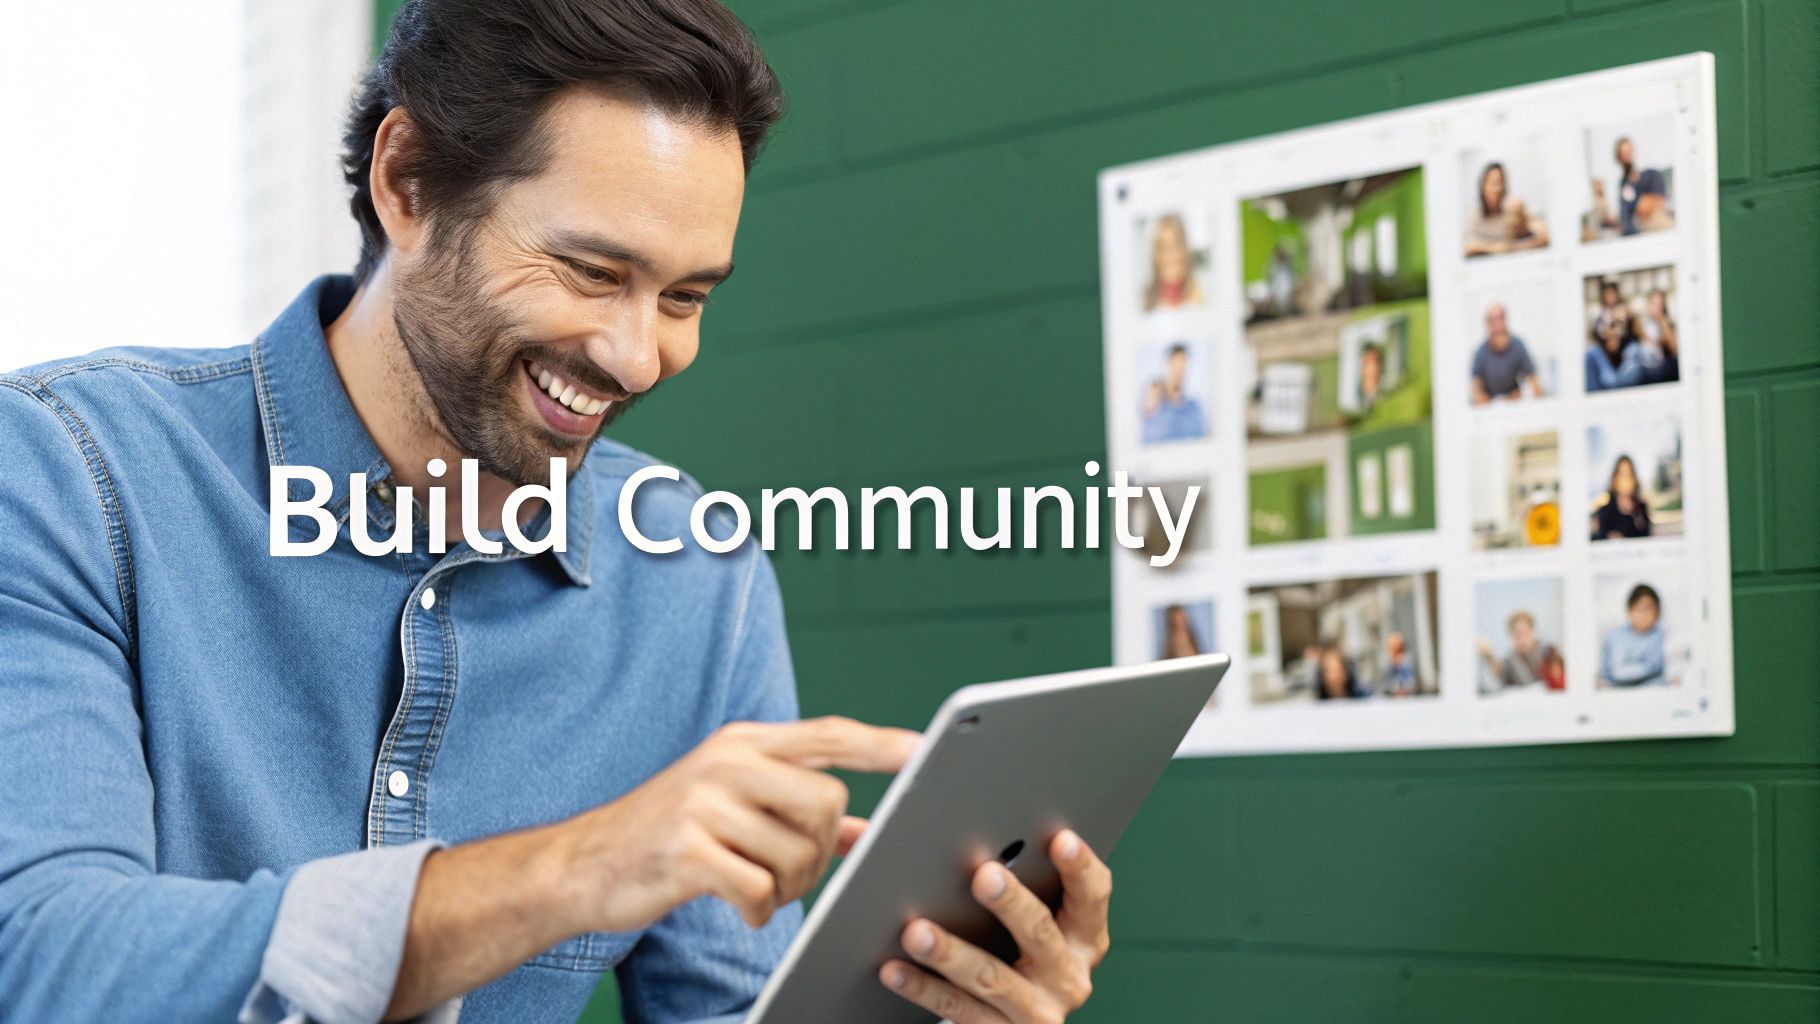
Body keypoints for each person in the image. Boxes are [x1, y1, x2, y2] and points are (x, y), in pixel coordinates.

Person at [0, 3, 1115, 1022]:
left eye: (685, 298)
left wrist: (945, 1003)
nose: (639, 355)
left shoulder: (697, 581)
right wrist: (580, 865)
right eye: (590, 270)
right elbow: (42, 960)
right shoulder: (65, 471)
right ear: (408, 181)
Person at [1464, 162, 1549, 256]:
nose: (1497, 189)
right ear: (1483, 187)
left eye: (1501, 183)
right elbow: (1467, 247)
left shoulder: (1513, 208)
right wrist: (1496, 249)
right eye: (1493, 183)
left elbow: (1544, 235)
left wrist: (1522, 221)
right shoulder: (1475, 217)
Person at [1470, 302, 1542, 403]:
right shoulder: (1480, 352)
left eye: (1499, 318)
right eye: (1491, 320)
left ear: (1505, 320)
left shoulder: (1518, 345)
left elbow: (1532, 378)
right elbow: (1475, 386)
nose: (1496, 324)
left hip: (1514, 400)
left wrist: (1535, 395)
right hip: (1490, 403)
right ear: (1487, 324)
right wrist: (1481, 399)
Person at [1476, 610, 1565, 692]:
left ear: (1533, 631)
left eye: (1525, 633)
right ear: (1512, 636)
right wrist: (1489, 656)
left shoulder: (1549, 651)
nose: (1522, 639)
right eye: (1517, 635)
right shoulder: (1511, 658)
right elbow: (1500, 672)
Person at [1599, 584, 1668, 687]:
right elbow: (1611, 673)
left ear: (1658, 612)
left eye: (1648, 609)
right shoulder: (1613, 637)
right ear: (1630, 611)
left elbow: (1657, 668)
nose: (1643, 615)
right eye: (1639, 609)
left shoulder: (1662, 636)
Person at [1606, 136, 1673, 236]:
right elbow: (1625, 214)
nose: (1627, 155)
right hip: (1631, 232)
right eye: (1623, 153)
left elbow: (1655, 202)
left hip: (1652, 223)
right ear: (1618, 157)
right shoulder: (1623, 185)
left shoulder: (1650, 174)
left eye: (1629, 151)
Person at [1141, 343, 1208, 443]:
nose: (1179, 372)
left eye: (1183, 366)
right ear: (1168, 364)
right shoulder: (1154, 402)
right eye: (1176, 365)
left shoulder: (1194, 407)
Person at [1585, 279, 1645, 391]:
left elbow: (1639, 334)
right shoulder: (1600, 318)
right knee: (1591, 352)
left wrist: (1630, 317)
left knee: (1635, 349)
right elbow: (1610, 345)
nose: (1610, 296)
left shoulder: (1627, 312)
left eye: (1612, 293)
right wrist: (1611, 325)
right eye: (1607, 294)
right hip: (1608, 360)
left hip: (1627, 355)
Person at [1143, 212, 1204, 311]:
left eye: (1176, 246)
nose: (1170, 256)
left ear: (1185, 251)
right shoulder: (1144, 300)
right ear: (1156, 256)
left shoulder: (1200, 297)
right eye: (1164, 248)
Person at [1592, 454, 1653, 541]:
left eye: (1629, 474)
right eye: (1623, 475)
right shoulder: (1604, 512)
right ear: (1615, 478)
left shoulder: (1642, 509)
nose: (1627, 480)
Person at [1635, 288, 1681, 385]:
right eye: (1653, 303)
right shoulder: (1641, 321)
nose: (1656, 307)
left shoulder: (1666, 322)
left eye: (1659, 304)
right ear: (1647, 304)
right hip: (1643, 365)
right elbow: (1646, 340)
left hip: (1662, 365)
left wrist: (1662, 321)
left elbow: (1674, 349)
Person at [1378, 631, 1416, 696]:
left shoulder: (1406, 659)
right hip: (1390, 694)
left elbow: (1409, 679)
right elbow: (1385, 679)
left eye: (1397, 644)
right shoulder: (1386, 660)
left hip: (1405, 693)